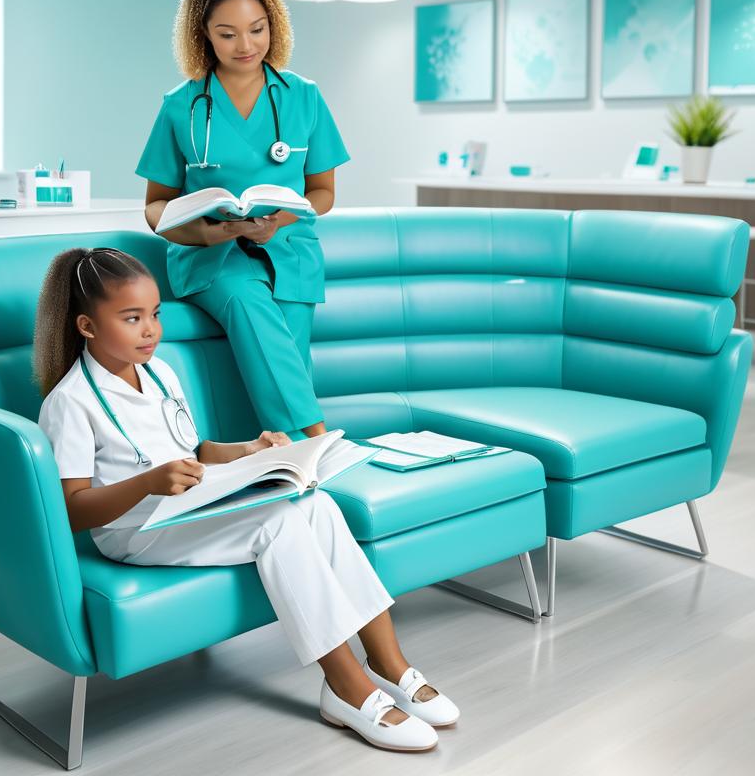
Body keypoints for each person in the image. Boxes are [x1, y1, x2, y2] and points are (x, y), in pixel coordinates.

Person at [33, 246, 459, 752]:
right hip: (136, 532)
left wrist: (251, 450)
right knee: (275, 525)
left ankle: (390, 662)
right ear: (86, 325)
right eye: (131, 318)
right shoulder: (68, 403)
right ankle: (346, 688)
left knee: (318, 505)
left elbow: (193, 451)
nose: (150, 330)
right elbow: (72, 509)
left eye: (154, 315)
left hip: (188, 506)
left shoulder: (159, 373)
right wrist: (148, 484)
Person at [136, 0, 342, 440]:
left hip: (290, 251)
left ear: (274, 25)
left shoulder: (304, 97)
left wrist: (280, 219)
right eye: (227, 34)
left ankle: (281, 475)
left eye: (257, 29)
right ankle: (317, 441)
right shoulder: (180, 104)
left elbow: (324, 192)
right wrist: (205, 231)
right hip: (211, 255)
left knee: (285, 355)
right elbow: (155, 205)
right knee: (248, 299)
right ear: (203, 35)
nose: (246, 46)